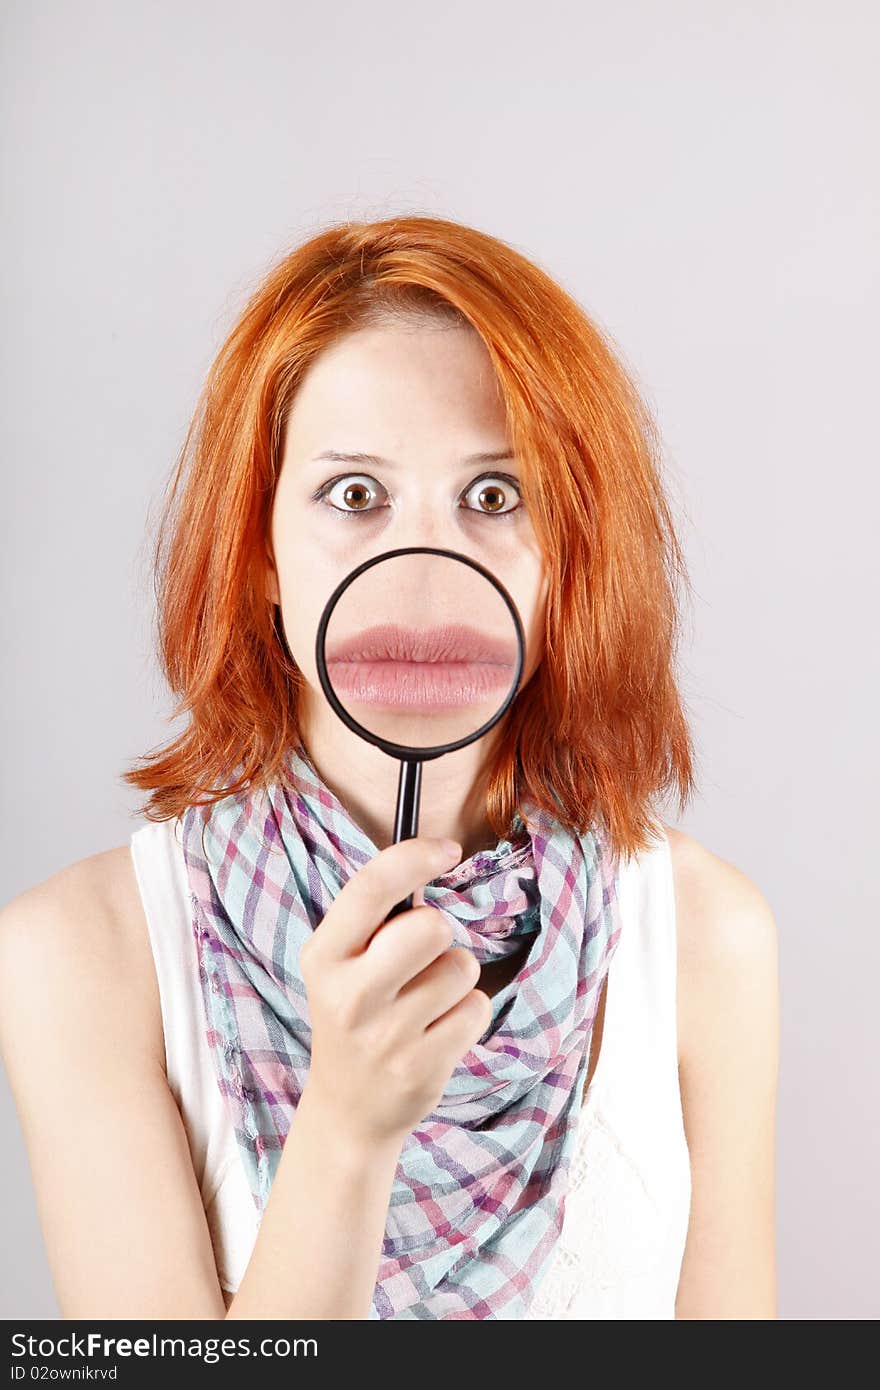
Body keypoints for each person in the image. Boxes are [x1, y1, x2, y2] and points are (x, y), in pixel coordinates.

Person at [0, 215, 779, 1320]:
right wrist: (348, 1128)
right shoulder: (80, 954)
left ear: (571, 564)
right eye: (354, 496)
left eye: (496, 496)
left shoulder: (702, 935)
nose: (428, 580)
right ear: (259, 552)